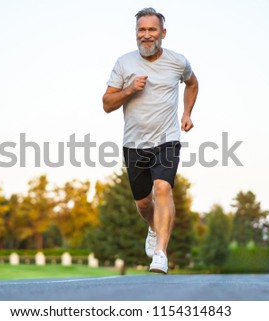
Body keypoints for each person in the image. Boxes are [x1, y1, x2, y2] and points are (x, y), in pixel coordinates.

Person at [102, 7, 198, 274]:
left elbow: (192, 84)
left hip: (167, 139)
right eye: (141, 30)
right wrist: (130, 89)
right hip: (134, 143)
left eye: (152, 29)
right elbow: (106, 104)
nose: (146, 35)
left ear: (163, 33)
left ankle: (160, 254)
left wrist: (187, 113)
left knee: (163, 188)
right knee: (144, 204)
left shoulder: (178, 62)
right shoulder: (124, 64)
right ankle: (154, 227)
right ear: (136, 34)